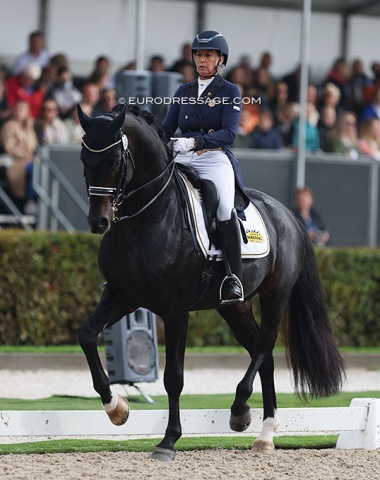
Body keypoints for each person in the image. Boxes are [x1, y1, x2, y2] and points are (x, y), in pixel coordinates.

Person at [161, 30, 248, 304]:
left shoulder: (230, 91)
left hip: (213, 157)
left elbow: (229, 134)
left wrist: (193, 142)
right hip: (183, 156)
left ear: (220, 60)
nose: (201, 60)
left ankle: (233, 277)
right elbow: (166, 128)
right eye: (198, 54)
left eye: (208, 55)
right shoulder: (183, 91)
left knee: (224, 208)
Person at [0, 100, 38, 212]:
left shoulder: (29, 127)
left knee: (40, 169)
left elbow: (34, 145)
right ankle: (30, 200)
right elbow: (9, 147)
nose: (19, 112)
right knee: (31, 169)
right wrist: (25, 155)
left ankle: (34, 199)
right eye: (17, 109)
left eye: (22, 110)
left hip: (30, 160)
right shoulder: (9, 126)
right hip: (15, 161)